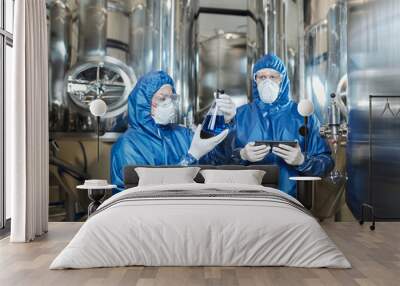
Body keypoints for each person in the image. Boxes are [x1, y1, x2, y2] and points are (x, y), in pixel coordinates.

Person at [110, 70, 236, 192]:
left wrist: (225, 121)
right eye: (163, 98)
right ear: (144, 102)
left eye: (172, 98)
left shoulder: (183, 134)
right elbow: (148, 193)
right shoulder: (127, 145)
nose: (170, 104)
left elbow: (217, 162)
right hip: (144, 212)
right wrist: (191, 157)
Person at [230, 54, 334, 197]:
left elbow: (326, 163)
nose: (267, 82)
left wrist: (302, 160)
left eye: (273, 77)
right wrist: (242, 154)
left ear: (283, 80)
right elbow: (217, 160)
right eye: (261, 77)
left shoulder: (303, 116)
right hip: (249, 200)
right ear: (255, 81)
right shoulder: (239, 116)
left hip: (293, 201)